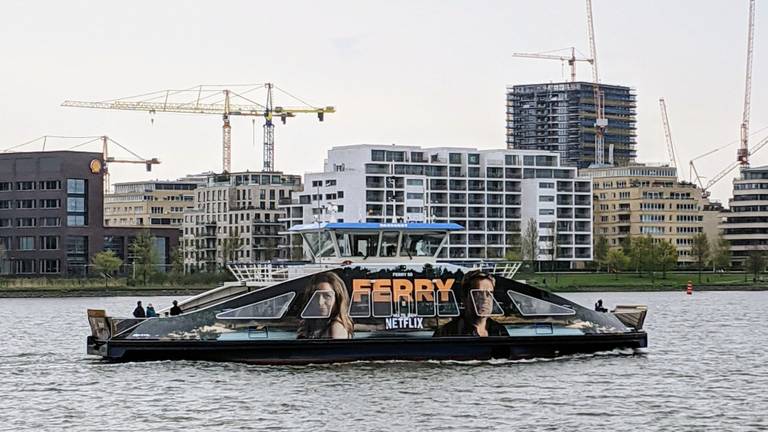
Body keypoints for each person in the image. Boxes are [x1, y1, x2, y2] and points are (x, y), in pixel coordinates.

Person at [434, 270, 509, 337]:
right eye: (478, 293)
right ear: (464, 298)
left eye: (489, 294)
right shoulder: (446, 333)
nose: (485, 299)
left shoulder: (500, 331)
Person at [297, 272, 354, 339]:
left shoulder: (336, 327)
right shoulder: (313, 323)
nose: (320, 302)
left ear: (338, 299)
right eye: (316, 296)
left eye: (327, 296)